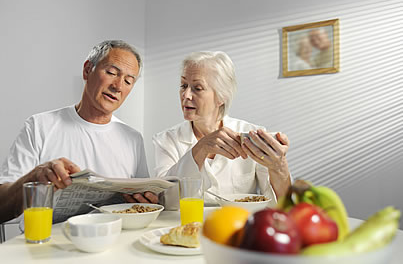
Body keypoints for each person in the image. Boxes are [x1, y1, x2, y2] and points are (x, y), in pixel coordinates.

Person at [0, 40, 157, 224]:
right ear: (87, 70)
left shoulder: (133, 138)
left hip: (111, 243)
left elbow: (141, 207)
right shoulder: (39, 126)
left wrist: (148, 201)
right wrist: (34, 178)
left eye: (128, 81)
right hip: (46, 245)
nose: (118, 86)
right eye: (112, 73)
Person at [153, 51, 292, 205]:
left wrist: (279, 167)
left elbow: (280, 203)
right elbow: (166, 200)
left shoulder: (252, 136)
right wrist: (200, 149)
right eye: (184, 85)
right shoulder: (166, 140)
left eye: (197, 88)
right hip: (188, 226)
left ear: (221, 97)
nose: (186, 95)